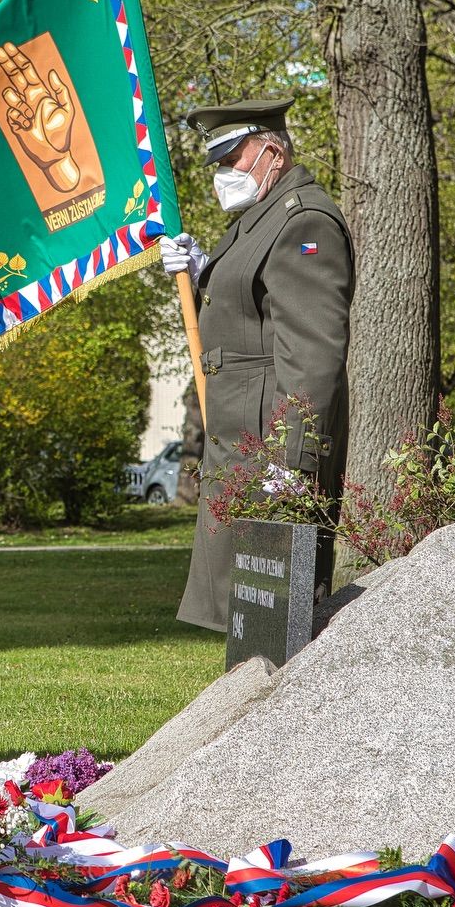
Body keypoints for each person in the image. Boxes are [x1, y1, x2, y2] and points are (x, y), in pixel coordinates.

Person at [162, 97, 354, 632]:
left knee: (275, 616)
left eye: (231, 158)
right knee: (247, 613)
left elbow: (312, 352)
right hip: (246, 440)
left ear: (272, 150)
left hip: (271, 449)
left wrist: (292, 462)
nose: (224, 174)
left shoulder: (303, 221)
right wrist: (202, 273)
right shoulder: (259, 219)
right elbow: (254, 311)